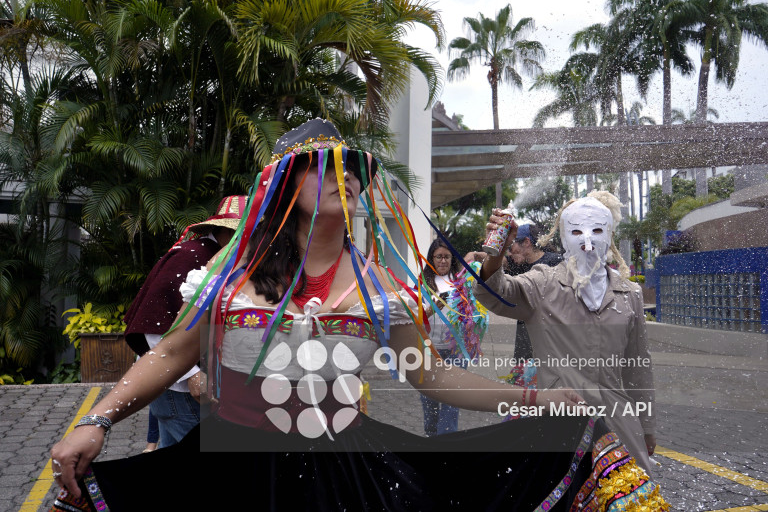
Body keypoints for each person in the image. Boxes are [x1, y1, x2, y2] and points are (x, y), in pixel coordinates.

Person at [50, 120, 667, 511]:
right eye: (320, 166)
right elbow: (170, 353)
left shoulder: (379, 286)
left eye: (348, 168)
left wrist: (534, 402)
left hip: (348, 470)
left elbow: (431, 376)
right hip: (233, 468)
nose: (340, 177)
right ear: (283, 183)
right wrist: (98, 421)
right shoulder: (231, 273)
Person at [475, 191, 659, 479]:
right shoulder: (543, 283)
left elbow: (638, 367)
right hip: (560, 424)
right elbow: (496, 292)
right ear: (563, 237)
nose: (587, 240)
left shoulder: (630, 294)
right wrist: (496, 253)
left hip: (618, 424)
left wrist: (646, 426)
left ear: (609, 234)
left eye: (597, 230)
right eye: (576, 231)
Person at [122, 195, 245, 448]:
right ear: (224, 230)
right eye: (243, 234)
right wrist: (193, 375)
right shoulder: (192, 255)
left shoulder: (224, 257)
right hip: (182, 388)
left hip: (187, 385)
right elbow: (154, 324)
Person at [418, 238, 488, 436]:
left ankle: (447, 440)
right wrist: (432, 309)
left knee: (452, 398)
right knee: (429, 398)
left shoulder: (460, 279)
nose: (443, 261)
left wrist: (476, 255)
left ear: (452, 259)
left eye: (447, 257)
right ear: (431, 258)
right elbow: (414, 317)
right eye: (438, 257)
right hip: (430, 349)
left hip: (456, 349)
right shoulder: (422, 283)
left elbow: (487, 261)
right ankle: (431, 435)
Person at [504, 223, 563, 361]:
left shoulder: (555, 262)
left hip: (550, 339)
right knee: (521, 372)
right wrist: (475, 255)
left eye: (510, 246)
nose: (509, 252)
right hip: (524, 341)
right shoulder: (519, 264)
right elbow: (498, 262)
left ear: (526, 242)